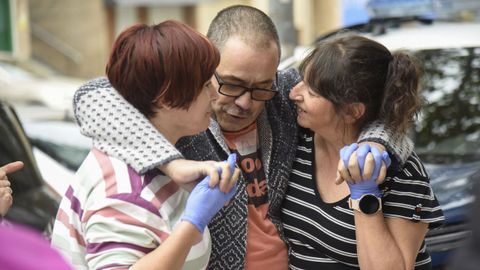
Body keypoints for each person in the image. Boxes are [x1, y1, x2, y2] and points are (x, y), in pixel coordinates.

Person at [72, 6, 413, 269]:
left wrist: (376, 142)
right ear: (205, 73)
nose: (246, 102)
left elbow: (368, 109)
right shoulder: (183, 111)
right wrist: (172, 163)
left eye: (261, 87)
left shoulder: (283, 98)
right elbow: (90, 97)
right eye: (231, 84)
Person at [51, 20, 240, 270]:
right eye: (205, 86)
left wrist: (171, 164)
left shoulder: (136, 152)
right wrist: (192, 224)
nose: (215, 95)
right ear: (166, 96)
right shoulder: (125, 192)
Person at [281, 34, 445, 269]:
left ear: (352, 111)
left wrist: (365, 195)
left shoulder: (401, 172)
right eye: (302, 80)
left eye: (312, 92)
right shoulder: (300, 138)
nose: (294, 93)